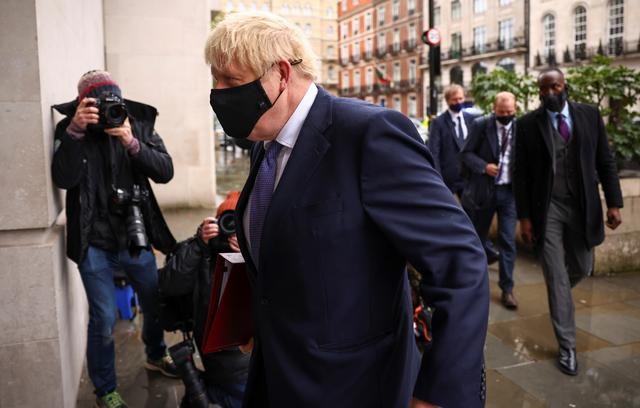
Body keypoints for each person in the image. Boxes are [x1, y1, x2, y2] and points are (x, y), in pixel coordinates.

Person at [205, 11, 489, 408]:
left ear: (282, 74)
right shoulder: (263, 144)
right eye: (214, 79)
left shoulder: (368, 133)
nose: (217, 92)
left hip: (355, 386)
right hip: (277, 374)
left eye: (229, 80)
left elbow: (461, 262)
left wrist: (440, 391)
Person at [51, 70, 178, 408]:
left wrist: (132, 142)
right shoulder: (71, 130)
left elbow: (165, 171)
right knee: (103, 319)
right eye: (98, 102)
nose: (108, 108)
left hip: (134, 237)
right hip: (93, 242)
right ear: (83, 104)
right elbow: (63, 177)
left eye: (113, 101)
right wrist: (76, 130)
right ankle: (105, 389)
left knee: (153, 303)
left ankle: (156, 353)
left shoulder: (136, 124)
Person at [514, 68, 623, 376]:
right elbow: (520, 176)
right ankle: (567, 347)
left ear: (565, 86)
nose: (550, 93)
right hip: (547, 210)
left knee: (582, 267)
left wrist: (613, 202)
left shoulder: (589, 115)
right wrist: (524, 218)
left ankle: (559, 293)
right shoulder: (526, 125)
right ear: (539, 93)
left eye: (555, 87)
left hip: (582, 206)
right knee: (557, 276)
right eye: (544, 89)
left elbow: (606, 160)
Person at [158, 191, 250, 408]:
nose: (232, 229)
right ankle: (206, 392)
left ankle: (204, 392)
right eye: (227, 221)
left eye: (239, 222)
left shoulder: (257, 251)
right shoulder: (203, 252)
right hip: (221, 359)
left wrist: (250, 256)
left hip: (247, 357)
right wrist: (200, 243)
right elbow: (169, 284)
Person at [428, 85, 499, 264]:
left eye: (460, 99)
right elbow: (434, 151)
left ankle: (481, 249)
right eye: (455, 100)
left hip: (470, 176)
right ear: (447, 101)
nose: (459, 102)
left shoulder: (472, 118)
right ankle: (473, 250)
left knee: (472, 214)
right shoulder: (438, 123)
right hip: (449, 178)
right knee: (453, 216)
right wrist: (436, 178)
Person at [461, 92, 519, 310]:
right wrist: (484, 167)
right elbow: (465, 154)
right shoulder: (481, 125)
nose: (506, 116)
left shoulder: (520, 128)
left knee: (508, 242)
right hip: (484, 193)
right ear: (494, 109)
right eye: (501, 112)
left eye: (510, 113)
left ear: (516, 110)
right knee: (478, 240)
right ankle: (473, 284)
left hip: (509, 194)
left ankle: (507, 289)